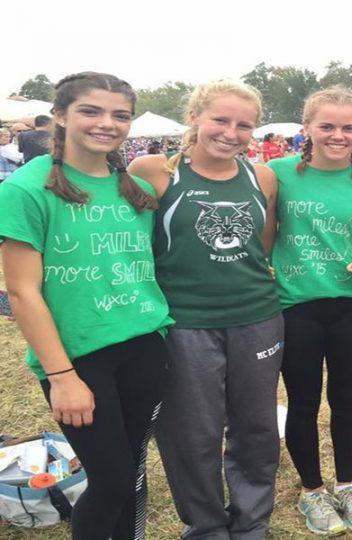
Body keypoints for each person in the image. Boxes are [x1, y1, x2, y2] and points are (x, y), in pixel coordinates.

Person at [0, 72, 172, 540]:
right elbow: (21, 292)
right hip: (77, 358)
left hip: (145, 345)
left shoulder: (132, 187)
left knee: (131, 472)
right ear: (60, 115)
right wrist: (61, 377)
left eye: (120, 115)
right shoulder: (26, 189)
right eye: (90, 111)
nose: (107, 123)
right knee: (112, 478)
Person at [128, 80, 283, 540]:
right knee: (192, 434)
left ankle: (252, 523)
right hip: (184, 324)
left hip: (257, 317)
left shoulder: (264, 177)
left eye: (244, 125)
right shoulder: (154, 171)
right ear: (194, 116)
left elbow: (264, 243)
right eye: (220, 119)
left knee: (256, 428)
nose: (231, 132)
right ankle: (206, 526)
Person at [266, 87, 352, 535]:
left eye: (348, 127)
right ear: (307, 128)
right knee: (303, 401)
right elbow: (262, 230)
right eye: (327, 126)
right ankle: (312, 492)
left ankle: (346, 485)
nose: (337, 135)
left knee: (347, 398)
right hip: (295, 304)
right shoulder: (276, 173)